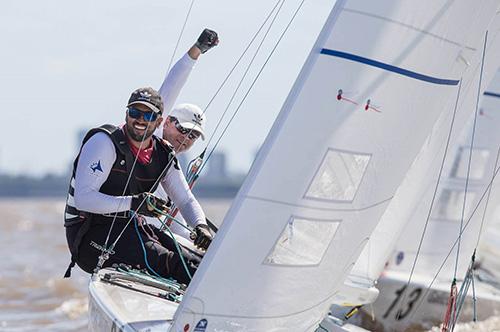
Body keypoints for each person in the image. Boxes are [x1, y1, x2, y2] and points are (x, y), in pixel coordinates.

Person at [63, 30, 218, 284]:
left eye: (148, 116)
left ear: (158, 120)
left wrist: (200, 226)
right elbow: (84, 199)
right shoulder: (104, 143)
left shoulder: (162, 154)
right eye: (135, 112)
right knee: (171, 263)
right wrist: (134, 203)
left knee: (199, 263)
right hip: (90, 235)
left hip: (129, 227)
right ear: (127, 113)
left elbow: (185, 199)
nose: (140, 120)